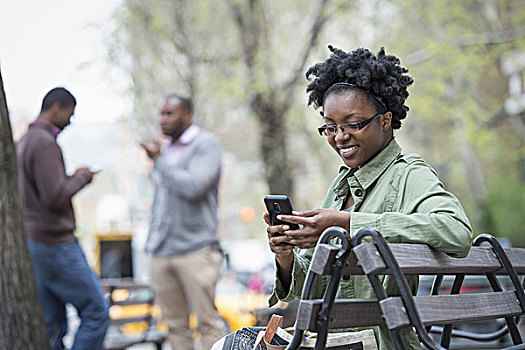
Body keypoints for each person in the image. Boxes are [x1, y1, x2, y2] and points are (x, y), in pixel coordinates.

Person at [263, 46, 473, 349]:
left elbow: (456, 232)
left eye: (353, 124)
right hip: (338, 340)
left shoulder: (408, 174)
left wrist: (349, 224)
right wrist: (285, 252)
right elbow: (312, 282)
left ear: (385, 120)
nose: (339, 136)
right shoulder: (341, 185)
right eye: (331, 127)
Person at [16, 87, 110, 350]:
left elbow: (43, 192)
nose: (70, 120)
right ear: (56, 108)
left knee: (54, 324)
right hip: (56, 244)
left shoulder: (23, 141)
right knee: (97, 312)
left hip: (36, 243)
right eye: (70, 113)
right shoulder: (45, 143)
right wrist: (82, 177)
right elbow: (54, 197)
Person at [141, 93, 225, 350]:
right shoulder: (165, 150)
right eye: (162, 113)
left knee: (207, 324)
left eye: (170, 113)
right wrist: (151, 242)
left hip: (196, 250)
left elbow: (194, 187)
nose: (162, 119)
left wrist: (159, 161)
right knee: (175, 327)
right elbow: (160, 202)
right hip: (161, 251)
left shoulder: (205, 144)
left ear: (187, 115)